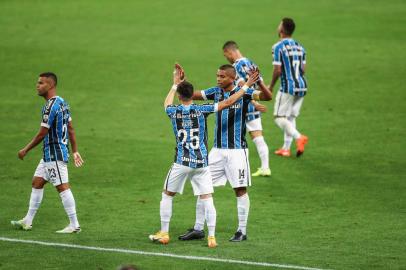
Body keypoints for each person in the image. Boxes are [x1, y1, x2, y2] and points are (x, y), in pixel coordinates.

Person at [149, 64, 260, 248]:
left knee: (168, 194)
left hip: (183, 161)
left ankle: (164, 231)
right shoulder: (203, 110)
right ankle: (210, 236)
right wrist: (247, 85)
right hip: (202, 161)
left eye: (221, 76)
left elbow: (166, 104)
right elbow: (227, 103)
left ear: (179, 95)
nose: (217, 78)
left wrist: (175, 84)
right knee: (207, 196)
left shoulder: (173, 111)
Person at [178, 64, 272, 242]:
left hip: (237, 151)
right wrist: (181, 83)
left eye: (222, 76)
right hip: (217, 151)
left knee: (240, 190)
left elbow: (267, 97)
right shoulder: (216, 92)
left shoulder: (244, 92)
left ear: (231, 78)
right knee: (202, 186)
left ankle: (241, 231)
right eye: (217, 75)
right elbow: (192, 95)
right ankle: (198, 228)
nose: (218, 79)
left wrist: (259, 82)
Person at [11, 72, 84, 233]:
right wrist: (75, 150)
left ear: (51, 85)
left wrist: (25, 149)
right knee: (37, 182)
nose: (37, 86)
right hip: (50, 154)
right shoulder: (63, 103)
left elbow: (42, 133)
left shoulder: (50, 106)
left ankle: (74, 224)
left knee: (62, 187)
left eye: (41, 83)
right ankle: (27, 221)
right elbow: (70, 128)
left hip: (54, 154)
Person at [223, 40, 272, 177]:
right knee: (258, 136)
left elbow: (242, 85)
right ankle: (265, 168)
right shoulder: (251, 62)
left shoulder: (236, 66)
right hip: (254, 100)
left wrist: (253, 102)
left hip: (245, 104)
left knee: (235, 136)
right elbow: (259, 82)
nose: (226, 57)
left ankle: (234, 168)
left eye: (225, 54)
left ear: (230, 52)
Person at [270, 18, 308, 157]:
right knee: (290, 117)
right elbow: (303, 69)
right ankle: (286, 148)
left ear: (282, 29)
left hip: (288, 87)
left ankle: (299, 138)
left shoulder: (278, 47)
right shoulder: (300, 47)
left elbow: (277, 70)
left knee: (279, 117)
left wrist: (271, 86)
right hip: (302, 86)